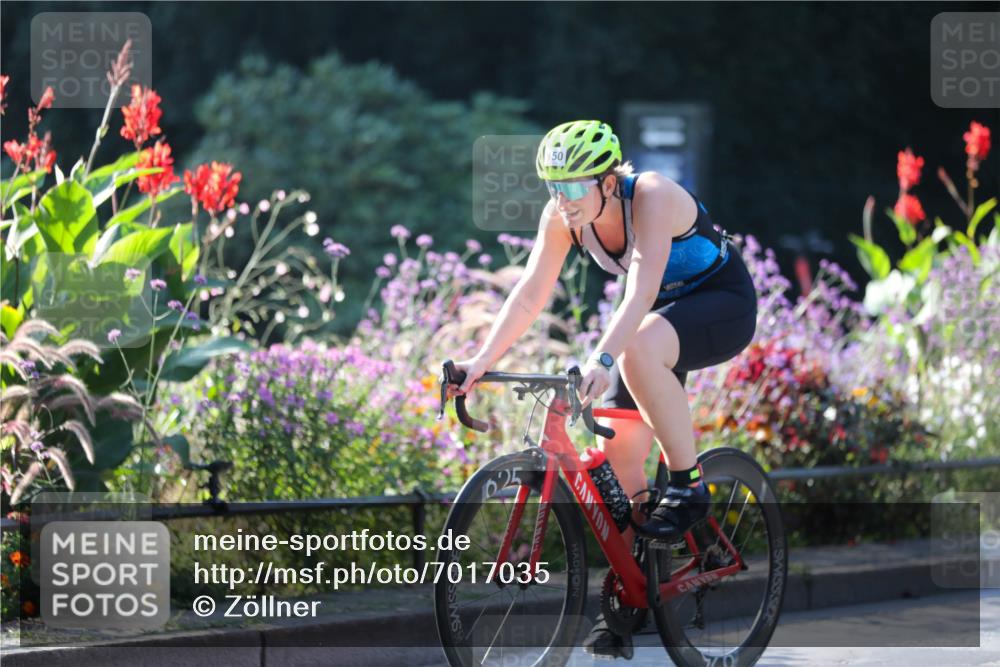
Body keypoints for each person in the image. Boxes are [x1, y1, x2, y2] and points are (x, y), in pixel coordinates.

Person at [448, 120, 758, 658]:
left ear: (608, 181)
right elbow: (529, 296)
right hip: (656, 320)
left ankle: (689, 486)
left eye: (572, 187)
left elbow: (639, 290)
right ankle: (635, 596)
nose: (562, 200)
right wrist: (479, 362)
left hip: (722, 304)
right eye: (553, 186)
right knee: (619, 461)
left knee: (634, 349)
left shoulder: (654, 196)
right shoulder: (562, 218)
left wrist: (603, 359)